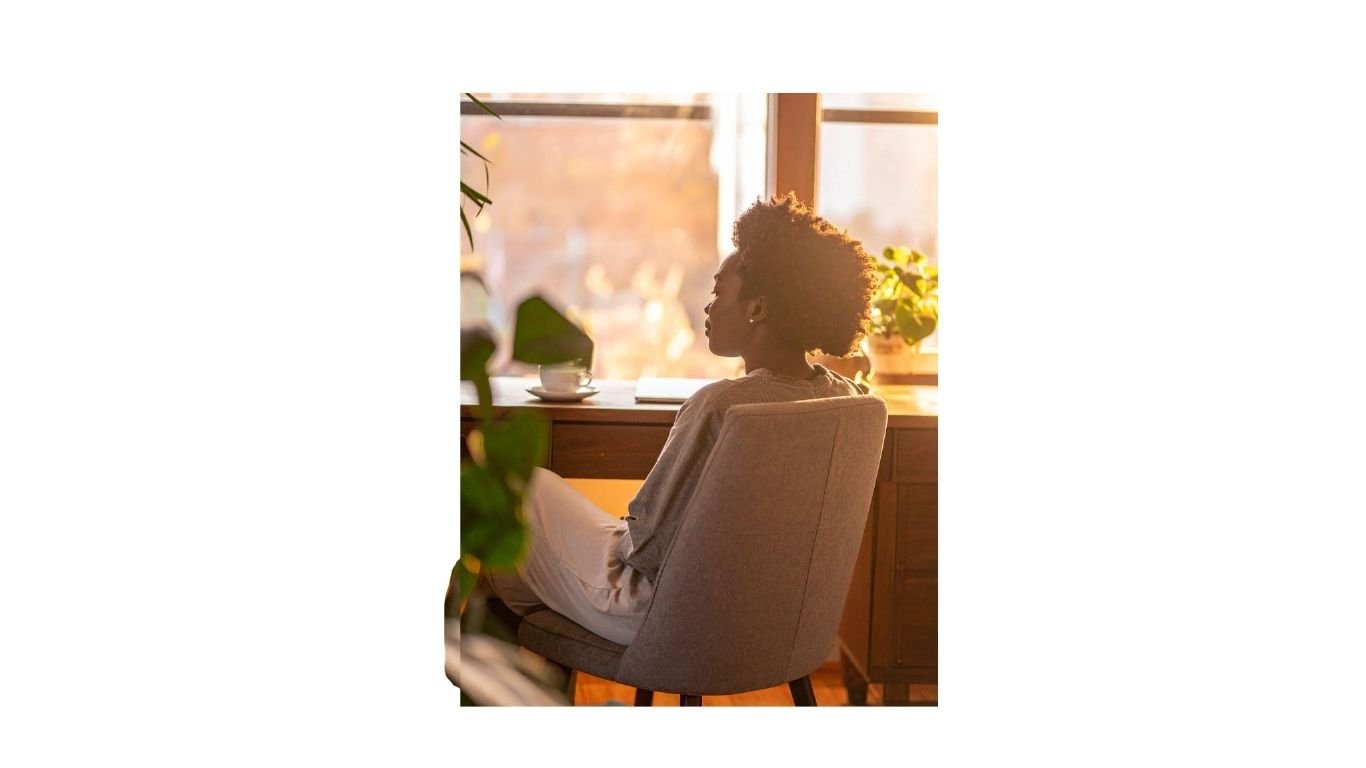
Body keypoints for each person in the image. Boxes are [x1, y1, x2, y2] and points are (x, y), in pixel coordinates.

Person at [485, 194, 880, 646]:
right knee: (533, 541)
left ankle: (505, 663)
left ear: (757, 308)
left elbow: (645, 548)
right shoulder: (849, 399)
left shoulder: (722, 406)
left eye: (718, 291)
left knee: (517, 487)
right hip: (768, 617)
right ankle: (532, 655)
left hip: (663, 614)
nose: (709, 307)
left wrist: (613, 533)